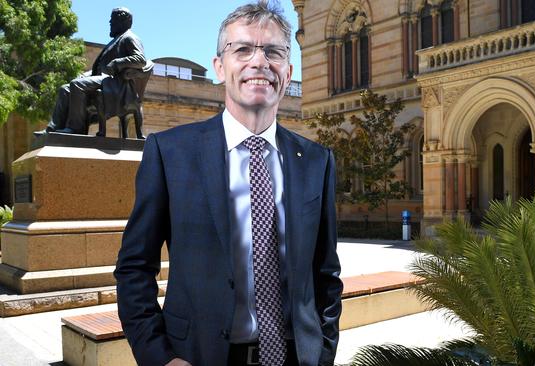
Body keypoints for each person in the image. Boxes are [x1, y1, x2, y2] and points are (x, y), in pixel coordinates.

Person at [113, 2, 343, 366]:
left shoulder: (317, 161)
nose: (259, 62)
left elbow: (326, 274)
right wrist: (159, 358)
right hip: (201, 356)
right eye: (242, 49)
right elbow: (134, 268)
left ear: (288, 70)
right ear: (220, 66)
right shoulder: (170, 153)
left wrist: (323, 351)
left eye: (273, 52)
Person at [35, 7, 145, 135]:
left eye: (113, 19)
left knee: (76, 85)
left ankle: (76, 129)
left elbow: (140, 59)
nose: (110, 22)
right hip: (104, 79)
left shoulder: (130, 38)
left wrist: (117, 63)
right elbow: (99, 69)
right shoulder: (115, 40)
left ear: (122, 20)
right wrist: (84, 75)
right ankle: (52, 129)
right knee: (65, 89)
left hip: (116, 82)